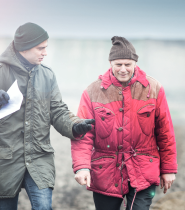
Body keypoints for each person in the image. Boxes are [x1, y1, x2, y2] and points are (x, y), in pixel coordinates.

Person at [0, 22, 94, 210]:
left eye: (46, 48)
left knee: (43, 207)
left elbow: (57, 110)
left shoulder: (48, 76)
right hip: (3, 161)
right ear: (24, 48)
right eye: (40, 48)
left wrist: (75, 126)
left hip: (39, 158)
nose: (45, 53)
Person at [71, 36, 178, 210]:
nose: (123, 69)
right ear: (110, 64)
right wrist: (82, 167)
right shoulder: (92, 92)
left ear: (135, 63)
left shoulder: (154, 88)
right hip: (105, 171)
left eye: (127, 64)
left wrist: (169, 169)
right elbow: (83, 135)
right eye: (118, 64)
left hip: (143, 169)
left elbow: (165, 132)